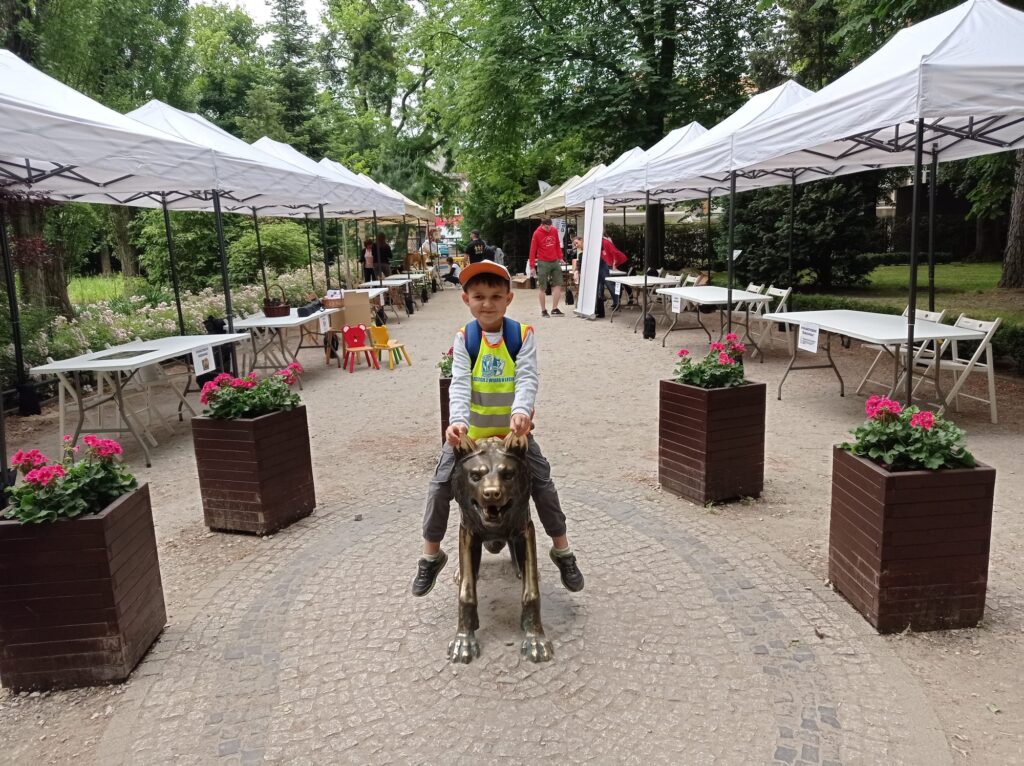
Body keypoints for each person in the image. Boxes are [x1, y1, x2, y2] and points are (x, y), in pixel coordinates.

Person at [411, 259, 584, 597]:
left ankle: (562, 550)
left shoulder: (521, 335)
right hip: (471, 435)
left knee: (543, 484)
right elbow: (460, 384)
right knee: (440, 486)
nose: (487, 304)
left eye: (495, 296)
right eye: (478, 296)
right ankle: (431, 554)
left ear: (508, 299)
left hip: (512, 437)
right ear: (466, 299)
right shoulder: (466, 338)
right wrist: (457, 423)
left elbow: (527, 377)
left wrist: (521, 412)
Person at [528, 217, 564, 317]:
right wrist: (532, 266)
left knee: (558, 284)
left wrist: (560, 257)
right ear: (542, 225)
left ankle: (554, 309)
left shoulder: (554, 230)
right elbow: (532, 250)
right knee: (542, 287)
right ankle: (543, 310)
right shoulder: (537, 233)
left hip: (555, 260)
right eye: (547, 227)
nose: (549, 229)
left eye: (550, 227)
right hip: (543, 262)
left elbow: (557, 244)